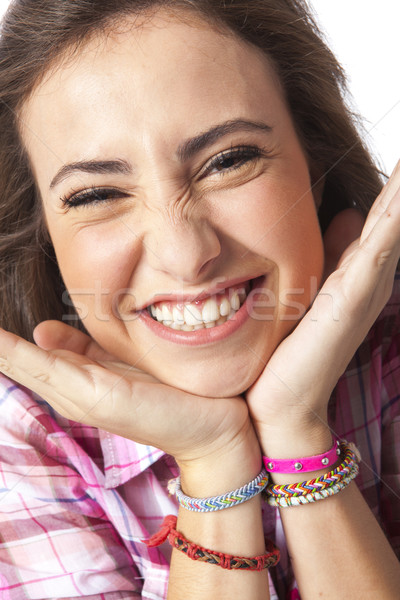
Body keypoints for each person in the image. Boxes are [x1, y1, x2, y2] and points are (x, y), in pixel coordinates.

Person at [0, 0, 398, 598]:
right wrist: (214, 461)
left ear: (316, 161)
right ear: (45, 237)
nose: (186, 253)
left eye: (230, 161)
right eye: (96, 195)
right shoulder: (24, 440)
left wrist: (296, 428)